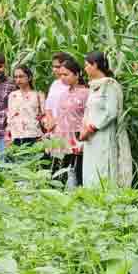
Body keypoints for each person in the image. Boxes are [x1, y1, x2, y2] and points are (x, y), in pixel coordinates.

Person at [80, 51, 133, 188]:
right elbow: (89, 110)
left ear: (95, 65)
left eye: (87, 65)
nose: (85, 69)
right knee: (91, 169)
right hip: (90, 137)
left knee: (103, 168)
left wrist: (92, 127)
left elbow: (111, 112)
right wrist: (84, 129)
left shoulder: (109, 85)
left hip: (103, 134)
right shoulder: (93, 86)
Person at [50, 58, 88, 188]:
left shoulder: (86, 93)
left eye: (66, 74)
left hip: (77, 140)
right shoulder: (63, 93)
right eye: (61, 75)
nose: (62, 78)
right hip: (61, 140)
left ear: (77, 74)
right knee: (58, 174)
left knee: (76, 175)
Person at [5, 65, 45, 148]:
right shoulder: (12, 95)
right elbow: (10, 118)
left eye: (21, 76)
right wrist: (8, 137)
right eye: (16, 77)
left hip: (35, 136)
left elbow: (44, 116)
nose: (18, 80)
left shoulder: (38, 95)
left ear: (29, 77)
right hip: (16, 137)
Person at [44, 52, 72, 129]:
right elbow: (48, 107)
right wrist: (50, 120)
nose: (54, 70)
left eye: (58, 67)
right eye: (53, 67)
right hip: (54, 129)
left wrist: (55, 121)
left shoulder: (72, 85)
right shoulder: (55, 84)